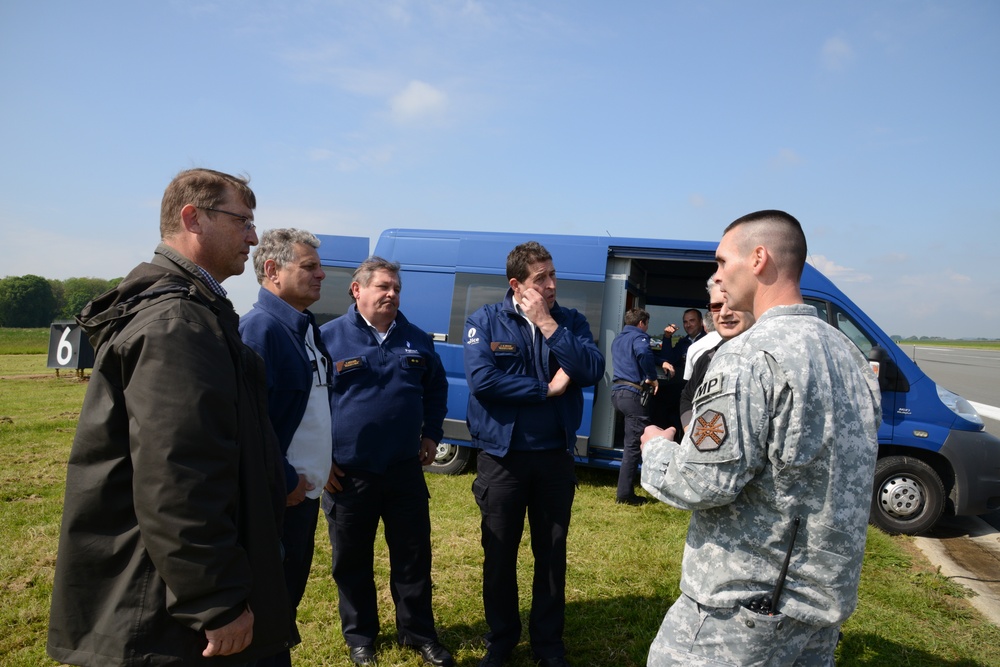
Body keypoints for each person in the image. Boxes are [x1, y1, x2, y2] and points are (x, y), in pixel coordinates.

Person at [47, 169, 292, 665]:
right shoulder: (176, 323)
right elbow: (178, 477)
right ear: (192, 218)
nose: (252, 236)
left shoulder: (196, 311)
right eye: (241, 220)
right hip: (165, 621)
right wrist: (215, 601)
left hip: (169, 605)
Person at [640, 210, 881, 666]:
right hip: (818, 611)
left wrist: (655, 448)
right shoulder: (848, 355)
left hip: (741, 614)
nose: (717, 277)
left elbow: (703, 481)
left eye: (721, 262)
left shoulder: (748, 355)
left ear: (757, 258)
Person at [464, 241, 605, 667]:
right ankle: (502, 640)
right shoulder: (485, 321)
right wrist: (545, 389)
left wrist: (547, 324)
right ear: (516, 284)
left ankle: (548, 645)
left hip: (554, 459)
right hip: (502, 459)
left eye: (552, 275)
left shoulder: (569, 321)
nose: (550, 284)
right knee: (500, 555)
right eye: (540, 278)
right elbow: (482, 382)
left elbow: (591, 369)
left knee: (551, 556)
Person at [319, 257, 453, 667]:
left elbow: (436, 388)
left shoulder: (416, 338)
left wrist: (432, 433)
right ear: (357, 290)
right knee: (351, 560)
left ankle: (418, 633)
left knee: (413, 558)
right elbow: (311, 405)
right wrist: (319, 459)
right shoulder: (327, 338)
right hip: (348, 474)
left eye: (396, 287)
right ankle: (361, 637)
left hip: (403, 470)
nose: (392, 293)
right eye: (383, 287)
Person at [240, 228, 341, 666]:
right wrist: (284, 480)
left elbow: (312, 408)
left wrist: (325, 461)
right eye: (309, 267)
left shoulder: (306, 327)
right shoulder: (259, 330)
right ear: (272, 270)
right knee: (266, 603)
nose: (322, 275)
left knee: (286, 598)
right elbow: (248, 422)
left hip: (305, 494)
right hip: (279, 498)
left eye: (320, 266)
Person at [678, 282, 755, 428]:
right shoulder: (707, 357)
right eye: (716, 306)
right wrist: (688, 428)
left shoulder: (766, 357)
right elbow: (687, 395)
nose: (725, 312)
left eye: (732, 303)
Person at [610, 307, 660, 505]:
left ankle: (626, 490)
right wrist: (652, 377)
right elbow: (643, 354)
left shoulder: (619, 338)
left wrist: (661, 361)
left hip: (617, 393)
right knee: (632, 446)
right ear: (641, 323)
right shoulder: (640, 337)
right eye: (646, 325)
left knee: (629, 442)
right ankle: (625, 495)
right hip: (632, 394)